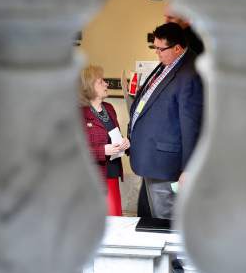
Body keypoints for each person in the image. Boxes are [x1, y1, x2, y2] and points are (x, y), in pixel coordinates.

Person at [129, 22, 204, 220]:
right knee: (152, 215)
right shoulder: (169, 65)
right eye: (155, 48)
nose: (157, 53)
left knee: (165, 220)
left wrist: (188, 168)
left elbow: (191, 125)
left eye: (160, 49)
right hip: (151, 156)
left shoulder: (190, 74)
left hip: (165, 162)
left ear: (177, 48)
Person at [80, 65, 130, 216]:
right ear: (89, 86)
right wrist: (103, 150)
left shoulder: (109, 108)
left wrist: (125, 143)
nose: (106, 84)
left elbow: (115, 136)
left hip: (112, 173)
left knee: (115, 222)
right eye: (101, 81)